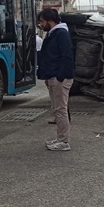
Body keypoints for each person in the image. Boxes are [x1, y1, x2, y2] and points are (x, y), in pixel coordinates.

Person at [37, 8, 75, 151]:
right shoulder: (54, 33)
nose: (40, 25)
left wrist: (60, 76)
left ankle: (64, 141)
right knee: (57, 109)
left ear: (50, 21)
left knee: (60, 110)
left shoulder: (61, 34)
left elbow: (66, 56)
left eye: (42, 21)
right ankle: (60, 138)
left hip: (59, 78)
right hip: (53, 76)